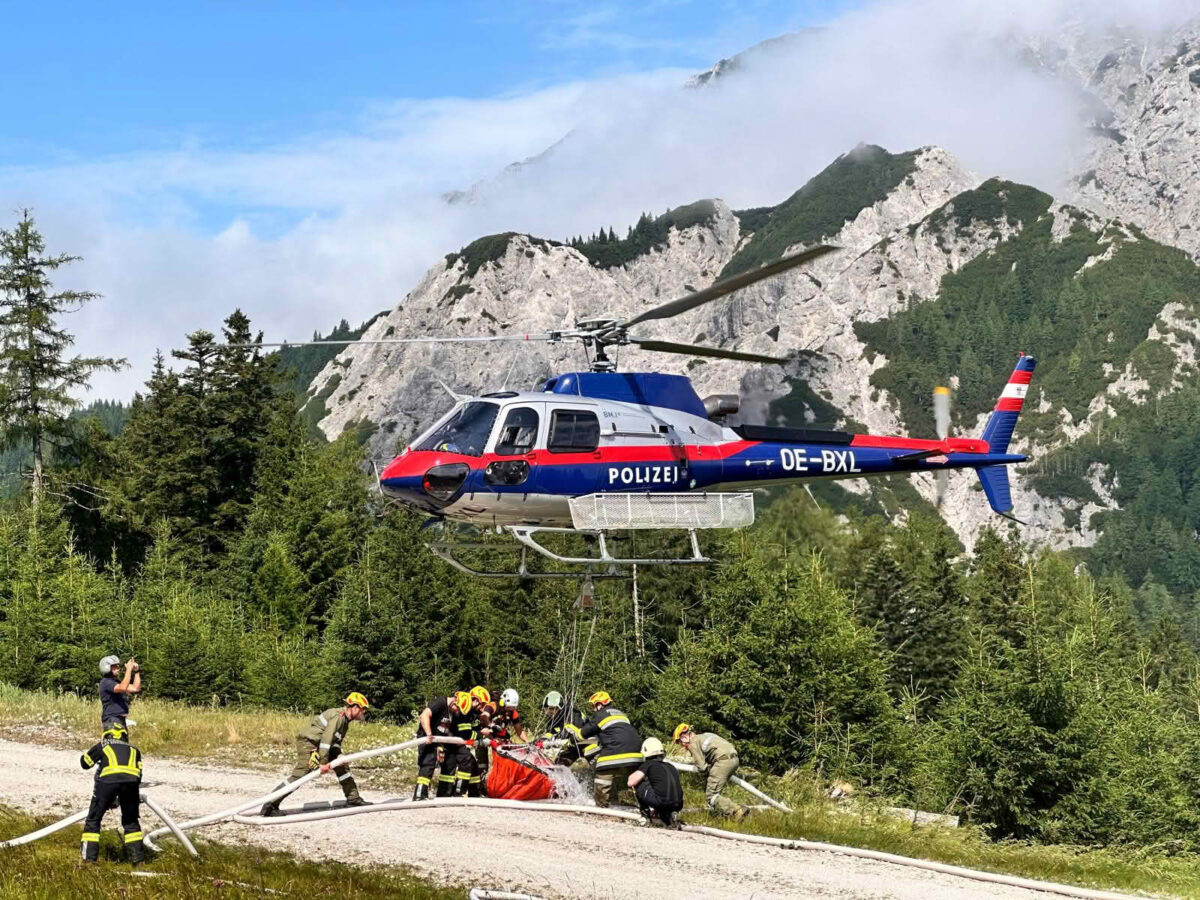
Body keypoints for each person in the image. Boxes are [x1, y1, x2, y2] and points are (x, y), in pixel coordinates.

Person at [260, 693, 371, 817]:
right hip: (309, 744)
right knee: (301, 775)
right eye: (363, 710)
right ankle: (270, 805)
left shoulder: (345, 721)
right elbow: (326, 740)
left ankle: (353, 799)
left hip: (320, 745)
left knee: (342, 767)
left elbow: (335, 742)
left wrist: (339, 756)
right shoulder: (338, 717)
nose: (363, 713)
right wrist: (323, 763)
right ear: (355, 707)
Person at [80, 722, 144, 864]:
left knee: (93, 820)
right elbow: (139, 775)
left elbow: (85, 763)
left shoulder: (104, 745)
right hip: (131, 785)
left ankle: (88, 860)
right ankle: (138, 861)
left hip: (107, 783)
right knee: (131, 821)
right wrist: (121, 797)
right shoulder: (135, 750)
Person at [414, 688, 490, 800]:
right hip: (428, 738)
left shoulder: (453, 709)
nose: (456, 712)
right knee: (428, 763)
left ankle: (444, 794)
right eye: (457, 709)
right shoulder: (440, 703)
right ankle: (419, 795)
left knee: (450, 763)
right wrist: (429, 734)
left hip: (441, 740)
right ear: (454, 702)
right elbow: (424, 716)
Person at [578, 691, 642, 808]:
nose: (594, 710)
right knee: (638, 780)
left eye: (594, 706)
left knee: (602, 772)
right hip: (636, 751)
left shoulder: (600, 714)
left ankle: (602, 807)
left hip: (616, 749)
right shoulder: (622, 715)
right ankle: (645, 805)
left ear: (599, 705)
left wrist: (574, 736)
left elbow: (584, 733)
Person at [673, 723, 748, 820]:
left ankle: (737, 810)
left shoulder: (692, 743)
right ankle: (726, 815)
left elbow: (702, 767)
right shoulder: (706, 735)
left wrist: (706, 776)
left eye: (680, 742)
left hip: (722, 762)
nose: (682, 745)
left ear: (683, 737)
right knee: (716, 791)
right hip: (735, 759)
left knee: (711, 795)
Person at [628, 737, 683, 828]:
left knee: (639, 784)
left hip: (661, 801)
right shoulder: (671, 766)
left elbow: (631, 782)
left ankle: (645, 817)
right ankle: (670, 816)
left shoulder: (648, 764)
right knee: (659, 792)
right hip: (678, 804)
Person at [540, 690, 598, 767]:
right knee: (558, 765)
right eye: (547, 709)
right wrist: (541, 741)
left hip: (588, 745)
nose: (549, 712)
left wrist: (560, 736)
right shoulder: (552, 721)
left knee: (582, 767)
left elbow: (578, 731)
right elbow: (549, 734)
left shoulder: (573, 714)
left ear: (559, 707)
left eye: (551, 709)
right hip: (572, 748)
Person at [98, 655, 140, 729]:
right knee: (115, 741)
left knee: (123, 741)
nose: (118, 668)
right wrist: (128, 670)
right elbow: (123, 688)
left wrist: (136, 671)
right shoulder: (106, 682)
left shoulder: (116, 682)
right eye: (115, 666)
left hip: (119, 719)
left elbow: (135, 688)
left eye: (118, 666)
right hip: (111, 719)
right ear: (107, 667)